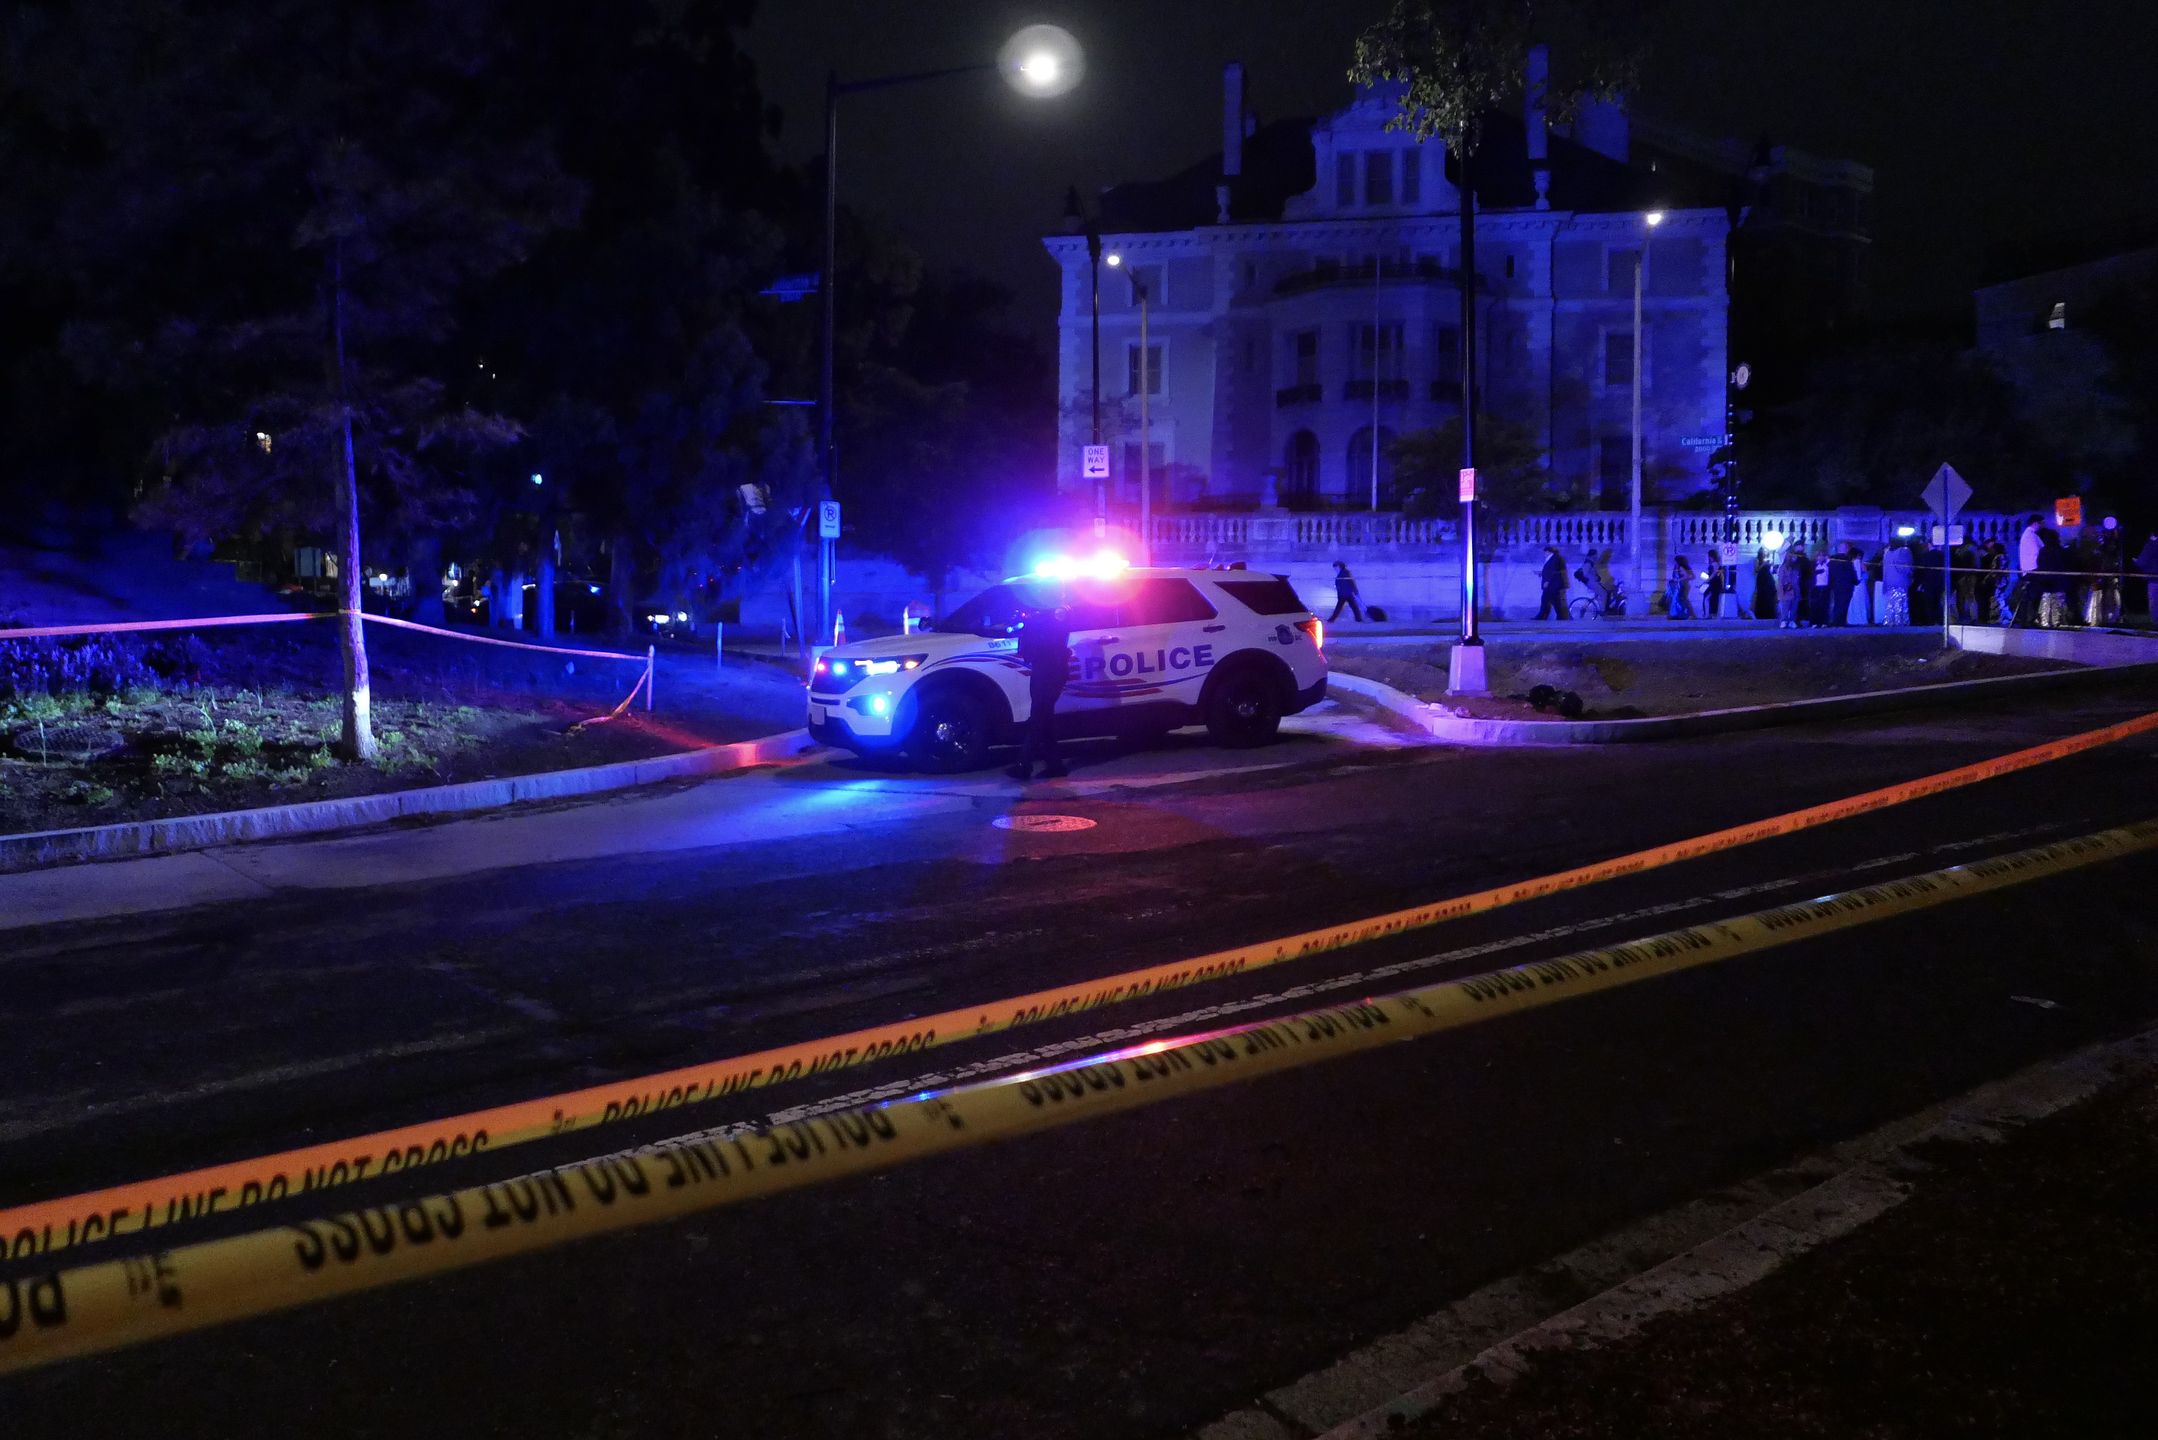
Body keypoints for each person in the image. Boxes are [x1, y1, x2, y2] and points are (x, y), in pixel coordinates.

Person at [1007, 601, 1072, 781]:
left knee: (1039, 716)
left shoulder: (1057, 612)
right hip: (1044, 670)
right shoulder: (1041, 616)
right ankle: (1055, 765)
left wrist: (1031, 621)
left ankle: (1024, 765)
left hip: (1051, 671)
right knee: (1045, 717)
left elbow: (1050, 641)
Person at [2034, 527, 2072, 629]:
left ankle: (2045, 621)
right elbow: (2064, 564)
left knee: (2046, 599)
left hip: (2045, 580)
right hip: (2058, 580)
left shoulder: (2043, 551)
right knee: (2057, 600)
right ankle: (2057, 622)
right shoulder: (2060, 550)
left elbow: (2039, 563)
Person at [2012, 513, 2044, 626]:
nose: (2042, 526)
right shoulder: (2030, 535)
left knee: (2029, 596)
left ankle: (2028, 619)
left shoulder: (2030, 535)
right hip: (2032, 570)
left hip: (2029, 570)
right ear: (2035, 523)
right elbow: (2037, 552)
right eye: (2041, 523)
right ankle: (2028, 619)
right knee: (2031, 596)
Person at [1882, 540, 1913, 625]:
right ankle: (1900, 622)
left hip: (1889, 582)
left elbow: (1885, 570)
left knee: (1891, 604)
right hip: (1900, 582)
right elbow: (1906, 568)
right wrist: (1911, 573)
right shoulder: (1904, 552)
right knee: (1900, 603)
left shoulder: (1887, 554)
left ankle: (1890, 622)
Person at [1826, 545, 1857, 627]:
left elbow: (1830, 573)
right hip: (1847, 585)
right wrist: (1856, 581)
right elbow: (1851, 572)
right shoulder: (1848, 559)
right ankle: (1841, 622)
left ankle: (1835, 621)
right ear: (1846, 549)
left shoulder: (1832, 560)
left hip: (1836, 585)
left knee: (1837, 603)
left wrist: (1830, 584)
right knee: (1844, 604)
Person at [1535, 545, 1569, 620]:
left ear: (1548, 552)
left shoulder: (1554, 559)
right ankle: (1543, 616)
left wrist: (1547, 581)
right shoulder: (1554, 558)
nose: (1544, 554)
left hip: (1552, 585)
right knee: (1548, 601)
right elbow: (1551, 571)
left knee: (1553, 601)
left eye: (1545, 552)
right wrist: (1541, 573)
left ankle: (1560, 616)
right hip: (1552, 585)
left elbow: (1553, 572)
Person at [1775, 547, 1805, 628]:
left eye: (1794, 556)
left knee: (1794, 606)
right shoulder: (1783, 567)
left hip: (1796, 589)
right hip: (1787, 589)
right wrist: (1784, 588)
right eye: (1792, 556)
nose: (1793, 558)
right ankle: (1784, 620)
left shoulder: (1797, 567)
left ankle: (1792, 620)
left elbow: (1798, 578)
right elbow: (1781, 580)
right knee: (1786, 606)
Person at [2136, 532, 2158, 626]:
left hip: (2154, 579)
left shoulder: (2151, 544)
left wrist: (2137, 561)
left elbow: (2142, 561)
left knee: (2155, 605)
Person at [1753, 548, 1778, 621]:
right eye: (1764, 551)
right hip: (1761, 578)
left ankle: (1770, 613)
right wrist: (1764, 564)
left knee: (1770, 594)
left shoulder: (1769, 559)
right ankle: (1761, 614)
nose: (1765, 552)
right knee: (1762, 594)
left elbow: (1771, 570)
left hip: (1768, 578)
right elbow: (1756, 570)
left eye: (1766, 551)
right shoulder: (1757, 559)